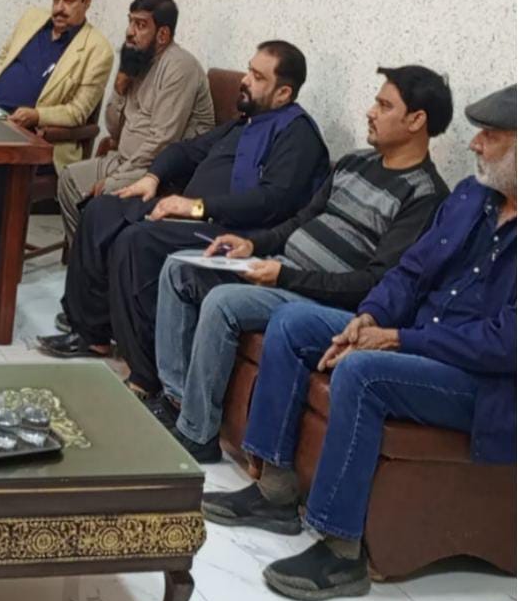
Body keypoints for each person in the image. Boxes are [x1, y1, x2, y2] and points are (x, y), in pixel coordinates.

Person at [202, 84, 516, 600]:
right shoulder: (471, 197)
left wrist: (399, 339)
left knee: (362, 372)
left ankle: (341, 550)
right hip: (418, 340)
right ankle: (275, 491)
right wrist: (369, 317)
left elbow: (506, 344)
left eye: (492, 135)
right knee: (294, 323)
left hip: (485, 384)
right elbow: (410, 272)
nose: (474, 143)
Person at [155, 66, 452, 462]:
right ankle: (177, 402)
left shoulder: (425, 196)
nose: (370, 112)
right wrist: (252, 243)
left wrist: (285, 276)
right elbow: (301, 221)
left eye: (384, 106)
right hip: (279, 269)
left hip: (320, 299)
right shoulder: (354, 163)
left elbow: (374, 282)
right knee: (180, 270)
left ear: (417, 121)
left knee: (223, 303)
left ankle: (197, 435)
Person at [41, 40, 330, 398]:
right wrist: (153, 177)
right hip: (193, 214)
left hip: (233, 235)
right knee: (101, 209)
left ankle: (146, 376)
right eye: (249, 70)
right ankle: (91, 334)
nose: (245, 80)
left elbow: (271, 203)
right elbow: (187, 150)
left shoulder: (298, 136)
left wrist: (194, 207)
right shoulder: (246, 123)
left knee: (137, 241)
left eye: (258, 77)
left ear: (284, 93)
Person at [55, 0, 215, 246]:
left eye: (140, 25)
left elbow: (164, 140)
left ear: (163, 34)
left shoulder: (179, 67)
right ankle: (84, 258)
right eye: (130, 22)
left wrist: (114, 178)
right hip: (125, 160)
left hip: (160, 171)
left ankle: (96, 260)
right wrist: (119, 90)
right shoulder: (138, 60)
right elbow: (114, 130)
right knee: (69, 179)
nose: (130, 32)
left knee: (105, 194)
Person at [0, 0, 114, 170]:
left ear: (87, 2)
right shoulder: (32, 18)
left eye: (68, 1)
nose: (59, 8)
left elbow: (77, 112)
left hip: (30, 134)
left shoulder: (98, 49)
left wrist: (37, 115)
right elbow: (4, 59)